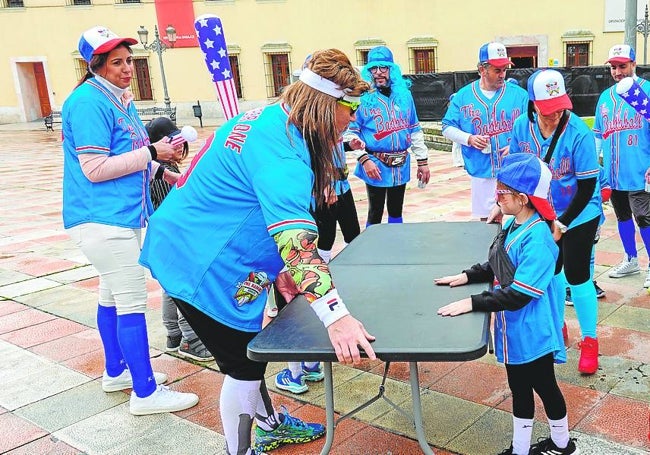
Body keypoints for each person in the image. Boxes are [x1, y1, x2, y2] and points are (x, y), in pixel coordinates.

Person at [139, 49, 377, 455]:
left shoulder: (270, 119)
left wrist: (281, 268)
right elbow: (299, 248)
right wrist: (337, 319)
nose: (354, 117)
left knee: (251, 351)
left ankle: (267, 424)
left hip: (191, 244)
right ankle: (241, 448)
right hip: (203, 263)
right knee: (243, 367)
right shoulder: (283, 156)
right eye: (350, 107)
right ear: (323, 105)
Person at [61, 26, 199, 415]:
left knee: (111, 296)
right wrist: (153, 152)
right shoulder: (89, 102)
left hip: (120, 216)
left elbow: (135, 154)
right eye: (116, 62)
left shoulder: (120, 99)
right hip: (102, 219)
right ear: (96, 66)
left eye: (129, 61)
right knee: (132, 302)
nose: (126, 69)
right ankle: (145, 392)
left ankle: (116, 371)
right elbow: (95, 168)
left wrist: (162, 170)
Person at [435, 153, 577, 455]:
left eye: (502, 192)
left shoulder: (538, 238)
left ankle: (562, 444)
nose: (496, 196)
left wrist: (473, 303)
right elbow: (499, 261)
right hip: (515, 330)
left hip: (532, 331)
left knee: (544, 387)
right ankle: (522, 449)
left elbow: (519, 294)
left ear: (523, 198)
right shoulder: (515, 223)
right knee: (520, 389)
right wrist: (467, 276)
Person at [509, 69, 602, 375]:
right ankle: (557, 329)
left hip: (580, 211)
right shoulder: (522, 128)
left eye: (559, 108)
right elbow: (518, 168)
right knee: (551, 272)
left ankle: (590, 341)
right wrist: (505, 201)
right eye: (547, 110)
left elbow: (587, 187)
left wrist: (562, 223)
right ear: (533, 104)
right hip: (543, 209)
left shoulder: (579, 134)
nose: (554, 116)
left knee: (577, 274)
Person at [274, 136, 365, 394]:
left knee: (295, 300)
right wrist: (322, 184)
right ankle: (303, 368)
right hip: (296, 229)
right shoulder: (305, 138)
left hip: (293, 232)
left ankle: (301, 370)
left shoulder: (294, 139)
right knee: (297, 298)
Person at [145, 116, 214, 362]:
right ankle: (191, 340)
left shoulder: (156, 169)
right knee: (185, 286)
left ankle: (173, 335)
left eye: (178, 142)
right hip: (175, 238)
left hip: (163, 239)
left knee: (169, 286)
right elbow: (171, 210)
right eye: (171, 142)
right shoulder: (163, 173)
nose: (177, 147)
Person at [442, 42, 528, 220]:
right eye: (497, 70)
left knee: (517, 218)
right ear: (482, 69)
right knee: (487, 220)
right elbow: (447, 127)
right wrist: (469, 138)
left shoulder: (520, 95)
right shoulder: (463, 96)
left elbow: (532, 126)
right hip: (481, 167)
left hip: (513, 168)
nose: (502, 75)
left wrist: (516, 144)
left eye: (505, 69)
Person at [348, 45, 430, 226]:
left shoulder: (404, 95)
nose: (378, 73)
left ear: (392, 70)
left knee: (396, 209)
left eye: (383, 67)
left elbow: (414, 129)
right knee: (375, 211)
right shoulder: (360, 98)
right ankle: (372, 250)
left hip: (401, 163)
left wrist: (422, 162)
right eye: (373, 68)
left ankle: (397, 247)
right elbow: (350, 132)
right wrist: (364, 159)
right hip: (375, 163)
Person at [594, 44, 650, 288]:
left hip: (641, 168)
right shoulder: (606, 97)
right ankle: (630, 258)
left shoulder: (646, 91)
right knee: (622, 215)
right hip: (613, 171)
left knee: (644, 216)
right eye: (613, 67)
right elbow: (598, 134)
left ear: (633, 64)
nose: (617, 71)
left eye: (622, 66)